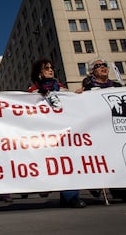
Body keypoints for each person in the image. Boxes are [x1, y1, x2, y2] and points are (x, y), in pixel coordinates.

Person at [76, 57, 126, 202]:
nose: (103, 67)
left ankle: (123, 190)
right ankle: (95, 185)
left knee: (120, 158)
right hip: (98, 130)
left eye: (104, 65)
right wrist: (77, 97)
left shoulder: (118, 86)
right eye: (98, 66)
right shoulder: (87, 88)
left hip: (117, 130)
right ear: (91, 72)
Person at [28, 59, 86, 208]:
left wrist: (78, 96)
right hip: (45, 135)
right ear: (39, 73)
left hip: (64, 134)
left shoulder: (63, 90)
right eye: (46, 68)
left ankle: (71, 196)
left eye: (51, 68)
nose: (50, 70)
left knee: (68, 163)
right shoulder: (32, 92)